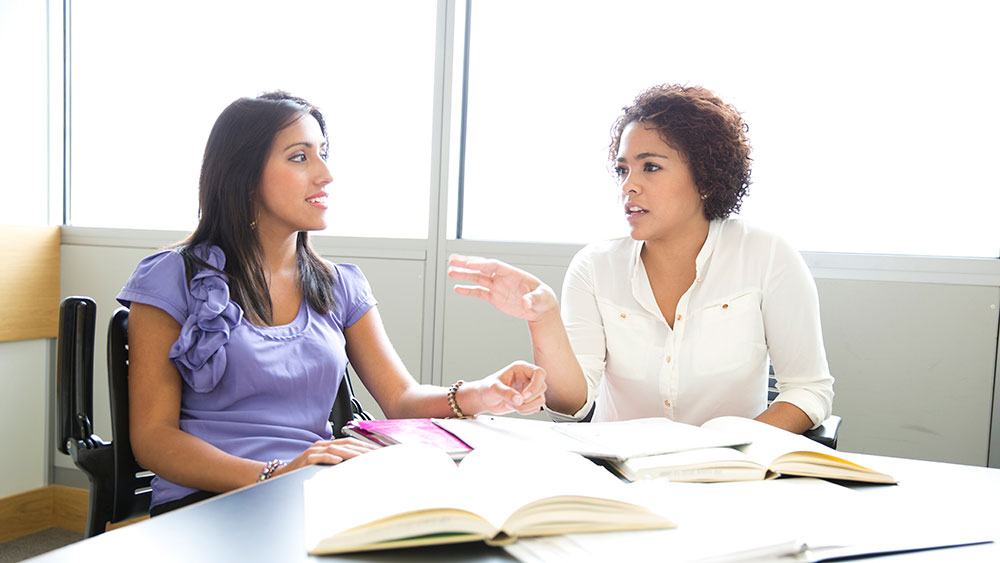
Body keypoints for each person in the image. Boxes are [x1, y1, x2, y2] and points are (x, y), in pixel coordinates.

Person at [118, 91, 546, 515]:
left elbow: (401, 398)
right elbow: (153, 438)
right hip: (208, 500)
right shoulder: (171, 277)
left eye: (322, 153)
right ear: (244, 175)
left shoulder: (340, 285)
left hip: (309, 492)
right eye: (300, 157)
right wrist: (274, 473)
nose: (325, 174)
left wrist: (481, 393)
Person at [448, 84, 832, 434]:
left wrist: (730, 446)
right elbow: (572, 406)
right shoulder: (594, 266)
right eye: (622, 169)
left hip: (730, 476)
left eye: (651, 166)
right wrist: (543, 318)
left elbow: (808, 391)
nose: (628, 185)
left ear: (706, 178)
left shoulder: (766, 255)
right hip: (619, 476)